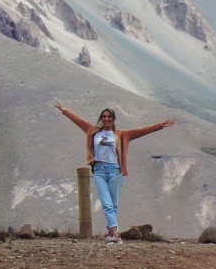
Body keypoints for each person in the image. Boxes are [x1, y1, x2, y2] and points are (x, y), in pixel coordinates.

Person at [54, 100, 175, 244]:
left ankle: (112, 234)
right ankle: (116, 233)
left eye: (109, 116)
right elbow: (78, 120)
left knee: (113, 204)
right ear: (101, 119)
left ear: (113, 120)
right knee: (106, 203)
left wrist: (160, 125)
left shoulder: (122, 134)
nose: (106, 119)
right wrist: (64, 110)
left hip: (115, 171)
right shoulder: (92, 130)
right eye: (104, 116)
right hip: (99, 171)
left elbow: (142, 130)